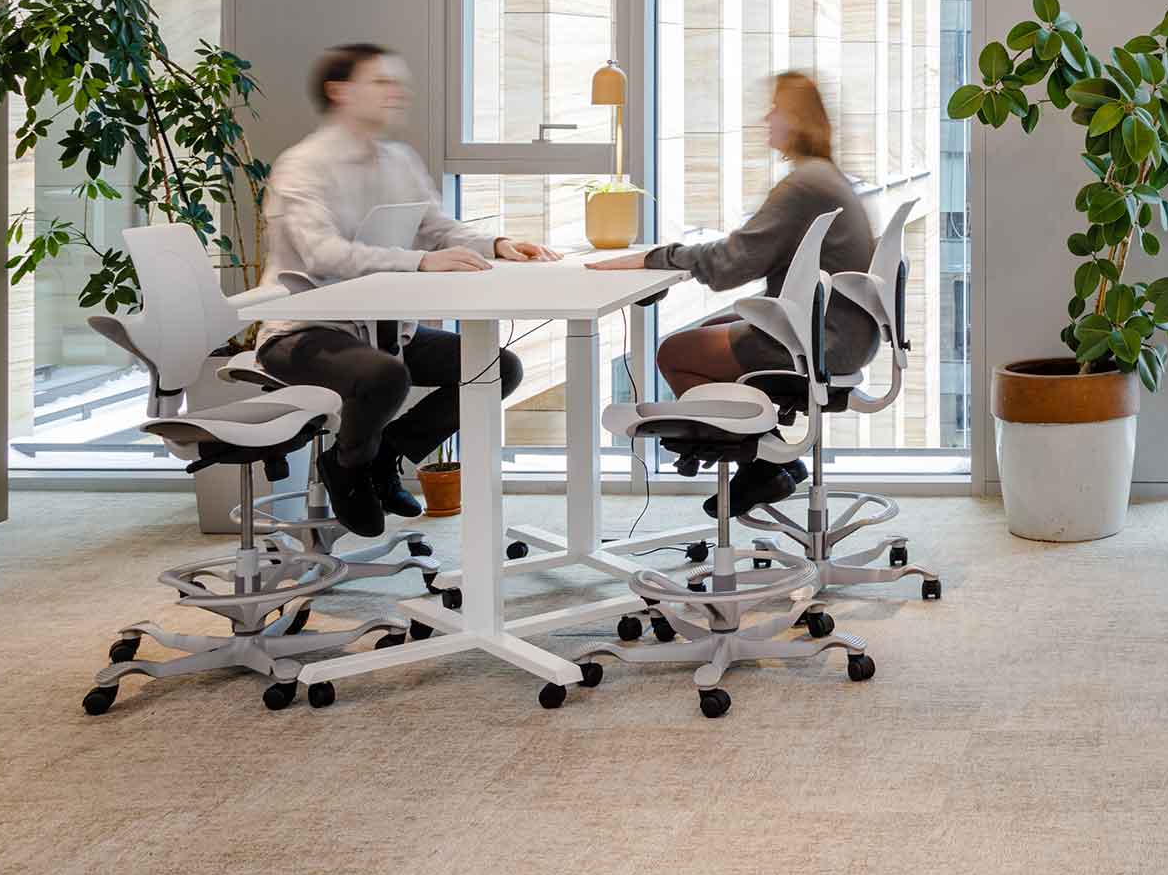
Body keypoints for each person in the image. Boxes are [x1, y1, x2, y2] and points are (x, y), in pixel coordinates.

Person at [255, 43, 557, 537]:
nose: (397, 92)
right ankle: (347, 467)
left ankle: (385, 455)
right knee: (384, 375)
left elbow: (437, 227)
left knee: (497, 368)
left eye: (398, 82)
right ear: (340, 92)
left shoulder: (398, 160)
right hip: (304, 332)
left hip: (384, 331)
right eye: (380, 81)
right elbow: (324, 254)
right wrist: (420, 262)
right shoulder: (303, 165)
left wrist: (497, 243)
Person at [592, 70, 872, 513]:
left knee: (674, 353)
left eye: (777, 108)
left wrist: (658, 257)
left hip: (822, 340)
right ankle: (774, 453)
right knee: (713, 327)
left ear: (797, 119)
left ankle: (760, 467)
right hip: (837, 334)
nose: (768, 117)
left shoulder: (804, 185)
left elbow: (732, 263)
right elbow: (744, 258)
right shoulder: (823, 177)